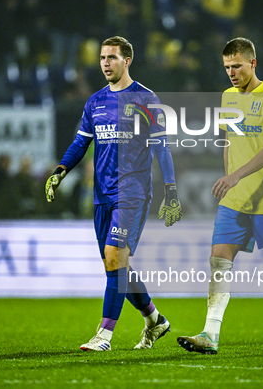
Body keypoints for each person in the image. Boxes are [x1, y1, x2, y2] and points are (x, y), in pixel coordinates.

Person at [45, 36, 182, 351]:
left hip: (132, 192)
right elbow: (82, 142)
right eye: (102, 58)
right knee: (115, 266)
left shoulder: (147, 99)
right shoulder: (95, 102)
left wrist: (170, 190)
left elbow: (162, 148)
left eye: (112, 57)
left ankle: (104, 334)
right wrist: (61, 170)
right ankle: (155, 320)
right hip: (102, 194)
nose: (105, 63)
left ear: (127, 60)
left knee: (114, 258)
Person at [176, 37, 263, 355]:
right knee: (219, 259)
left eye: (237, 66)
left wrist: (234, 175)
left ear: (252, 63)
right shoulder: (228, 97)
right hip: (235, 198)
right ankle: (210, 333)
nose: (231, 72)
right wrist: (230, 180)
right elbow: (229, 141)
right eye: (227, 67)